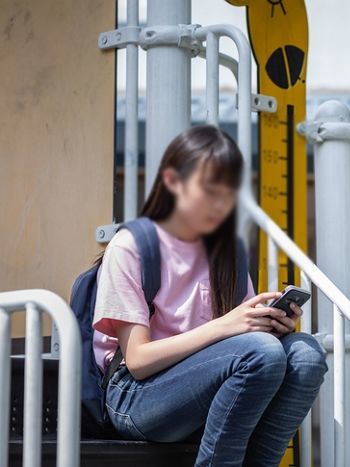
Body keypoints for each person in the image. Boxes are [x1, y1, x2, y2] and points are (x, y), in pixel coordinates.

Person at [91, 124, 328, 466]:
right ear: (172, 181)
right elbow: (139, 361)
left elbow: (242, 343)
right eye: (210, 190)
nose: (221, 204)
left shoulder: (228, 251)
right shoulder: (132, 246)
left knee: (306, 355)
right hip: (135, 398)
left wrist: (271, 324)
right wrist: (226, 326)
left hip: (206, 389)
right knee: (260, 352)